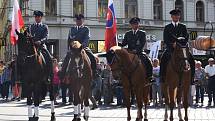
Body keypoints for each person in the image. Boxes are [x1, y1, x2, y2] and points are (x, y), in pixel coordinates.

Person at [160, 9, 195, 84]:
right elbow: (165, 39)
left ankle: (192, 78)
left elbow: (186, 37)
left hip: (181, 48)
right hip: (171, 49)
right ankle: (162, 77)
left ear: (179, 17)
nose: (176, 17)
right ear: (172, 17)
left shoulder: (183, 26)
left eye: (178, 15)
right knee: (163, 58)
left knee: (192, 59)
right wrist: (172, 44)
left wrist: (181, 43)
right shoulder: (167, 27)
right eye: (175, 16)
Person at [60, 14, 98, 80]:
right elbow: (69, 39)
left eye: (79, 20)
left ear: (83, 20)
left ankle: (94, 73)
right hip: (73, 49)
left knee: (92, 57)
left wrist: (82, 46)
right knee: (66, 59)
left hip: (82, 47)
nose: (78, 22)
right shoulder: (72, 29)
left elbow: (87, 38)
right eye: (77, 20)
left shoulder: (86, 29)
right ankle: (62, 74)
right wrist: (69, 48)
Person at [119, 17, 152, 82]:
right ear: (131, 25)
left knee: (148, 61)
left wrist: (137, 50)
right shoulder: (127, 33)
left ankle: (149, 77)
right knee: (121, 62)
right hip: (129, 53)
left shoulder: (142, 33)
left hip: (139, 52)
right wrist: (117, 43)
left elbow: (142, 43)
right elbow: (124, 43)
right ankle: (121, 79)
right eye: (133, 24)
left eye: (136, 24)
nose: (135, 25)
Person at [26, 10, 53, 79]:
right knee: (23, 56)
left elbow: (46, 37)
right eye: (36, 17)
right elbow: (26, 35)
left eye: (38, 17)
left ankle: (49, 75)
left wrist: (40, 41)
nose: (37, 18)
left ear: (41, 18)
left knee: (49, 58)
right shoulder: (30, 27)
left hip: (41, 47)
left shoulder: (44, 27)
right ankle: (21, 76)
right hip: (32, 47)